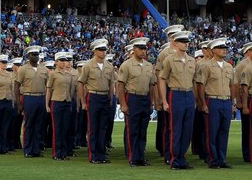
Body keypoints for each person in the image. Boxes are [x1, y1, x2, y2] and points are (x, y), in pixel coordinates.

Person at [195, 38, 235, 169]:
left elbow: (231, 86)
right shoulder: (206, 66)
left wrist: (232, 102)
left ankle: (222, 159)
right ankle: (213, 159)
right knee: (211, 132)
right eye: (221, 48)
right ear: (213, 50)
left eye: (225, 48)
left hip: (226, 100)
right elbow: (200, 86)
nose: (224, 50)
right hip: (212, 99)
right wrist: (202, 104)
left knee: (224, 132)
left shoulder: (229, 66)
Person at [159, 30, 196, 170]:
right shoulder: (169, 60)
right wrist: (164, 100)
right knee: (176, 129)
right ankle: (174, 160)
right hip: (176, 94)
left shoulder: (192, 60)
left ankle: (182, 158)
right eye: (182, 42)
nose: (186, 44)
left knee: (187, 130)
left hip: (188, 94)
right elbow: (162, 79)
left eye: (187, 42)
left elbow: (194, 81)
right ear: (175, 43)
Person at [117, 37, 156, 167]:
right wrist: (123, 103)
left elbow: (151, 85)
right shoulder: (126, 65)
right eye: (140, 48)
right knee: (132, 130)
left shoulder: (149, 66)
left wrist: (151, 102)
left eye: (145, 48)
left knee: (142, 130)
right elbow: (121, 86)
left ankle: (140, 157)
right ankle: (133, 157)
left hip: (145, 98)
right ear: (134, 50)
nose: (143, 51)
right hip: (132, 97)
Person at [78, 39, 115, 164]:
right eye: (100, 50)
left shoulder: (109, 66)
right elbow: (81, 83)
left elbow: (111, 84)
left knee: (103, 127)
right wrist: (83, 102)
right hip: (93, 96)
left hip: (104, 97)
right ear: (94, 51)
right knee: (93, 127)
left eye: (104, 50)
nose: (103, 52)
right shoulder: (88, 65)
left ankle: (101, 154)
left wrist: (110, 98)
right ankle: (93, 155)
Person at [154, 24, 184, 163]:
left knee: (179, 125)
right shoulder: (165, 54)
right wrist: (161, 98)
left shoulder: (184, 54)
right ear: (171, 38)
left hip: (182, 91)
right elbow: (159, 77)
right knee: (168, 125)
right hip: (169, 91)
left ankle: (177, 152)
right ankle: (168, 152)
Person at [15, 45, 48, 158]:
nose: (36, 57)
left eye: (37, 54)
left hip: (41, 97)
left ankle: (37, 149)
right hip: (29, 97)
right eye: (33, 55)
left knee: (39, 125)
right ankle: (28, 149)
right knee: (29, 124)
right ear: (28, 56)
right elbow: (16, 86)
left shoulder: (44, 69)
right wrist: (19, 103)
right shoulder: (23, 69)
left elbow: (48, 86)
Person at [46, 51, 74, 160]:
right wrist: (47, 105)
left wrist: (70, 101)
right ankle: (57, 153)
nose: (63, 63)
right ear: (56, 62)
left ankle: (63, 153)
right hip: (56, 101)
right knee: (57, 128)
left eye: (64, 61)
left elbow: (71, 90)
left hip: (66, 102)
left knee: (65, 128)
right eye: (61, 61)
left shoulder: (69, 75)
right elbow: (49, 89)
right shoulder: (53, 74)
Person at [233, 41, 252, 162]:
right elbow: (236, 84)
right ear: (248, 52)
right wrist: (239, 101)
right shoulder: (242, 65)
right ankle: (247, 154)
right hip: (246, 98)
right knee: (247, 128)